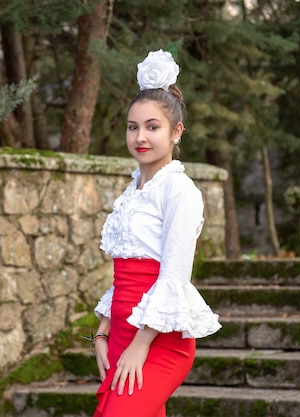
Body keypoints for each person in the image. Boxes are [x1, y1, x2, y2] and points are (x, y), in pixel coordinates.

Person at [91, 49, 222, 417]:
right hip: (120, 331)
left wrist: (141, 344)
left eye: (153, 126)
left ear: (176, 131)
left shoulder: (180, 192)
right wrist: (102, 332)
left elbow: (174, 276)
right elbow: (124, 275)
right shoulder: (131, 193)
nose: (140, 137)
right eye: (133, 127)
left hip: (159, 338)